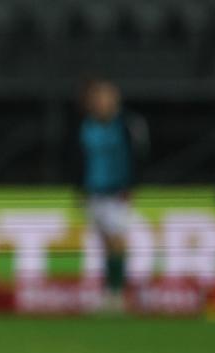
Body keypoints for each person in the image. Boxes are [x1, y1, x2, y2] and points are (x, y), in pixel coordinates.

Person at [76, 79, 149, 311]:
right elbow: (78, 160)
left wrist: (132, 185)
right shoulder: (85, 126)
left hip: (118, 193)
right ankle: (109, 292)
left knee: (118, 242)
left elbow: (140, 155)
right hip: (94, 192)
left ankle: (118, 293)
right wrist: (80, 189)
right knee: (105, 243)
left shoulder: (127, 124)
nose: (101, 103)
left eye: (105, 97)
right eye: (97, 98)